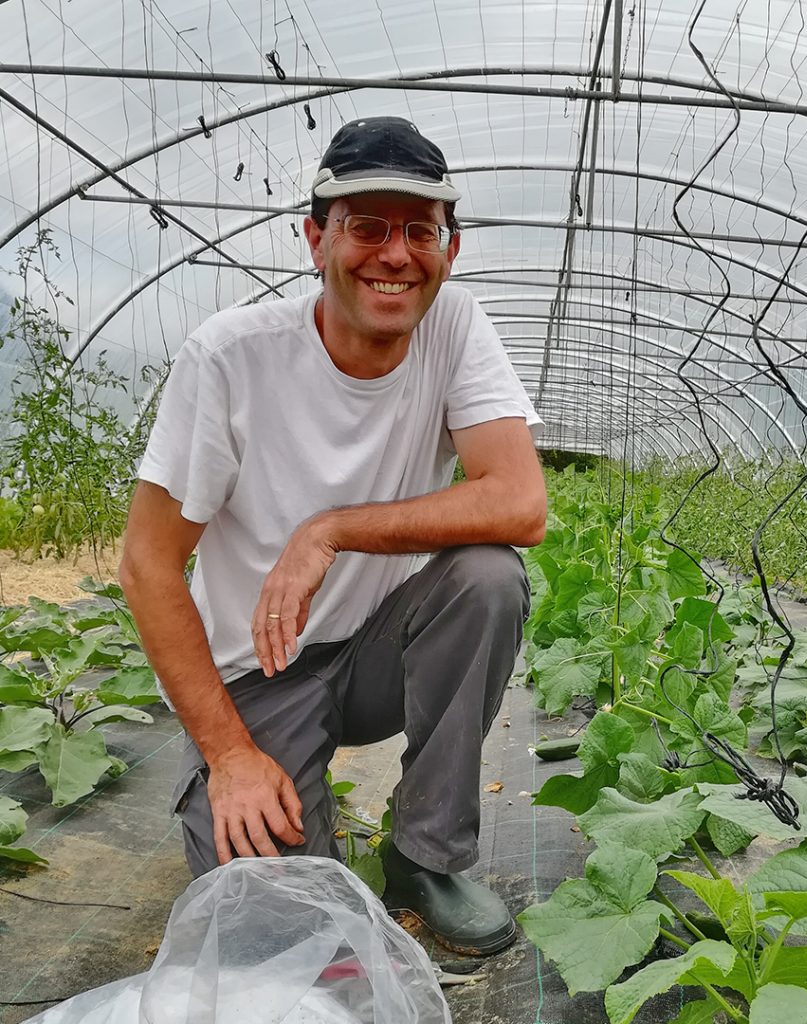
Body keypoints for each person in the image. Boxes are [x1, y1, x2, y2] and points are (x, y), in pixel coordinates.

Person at [119, 116, 547, 956]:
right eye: (367, 226)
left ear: (449, 251)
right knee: (282, 931)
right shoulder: (231, 359)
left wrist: (332, 530)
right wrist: (229, 756)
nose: (396, 254)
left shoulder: (453, 328)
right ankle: (249, 779)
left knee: (489, 578)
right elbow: (147, 565)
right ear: (316, 240)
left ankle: (424, 856)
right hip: (260, 673)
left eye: (421, 230)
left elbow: (521, 502)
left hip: (380, 653)